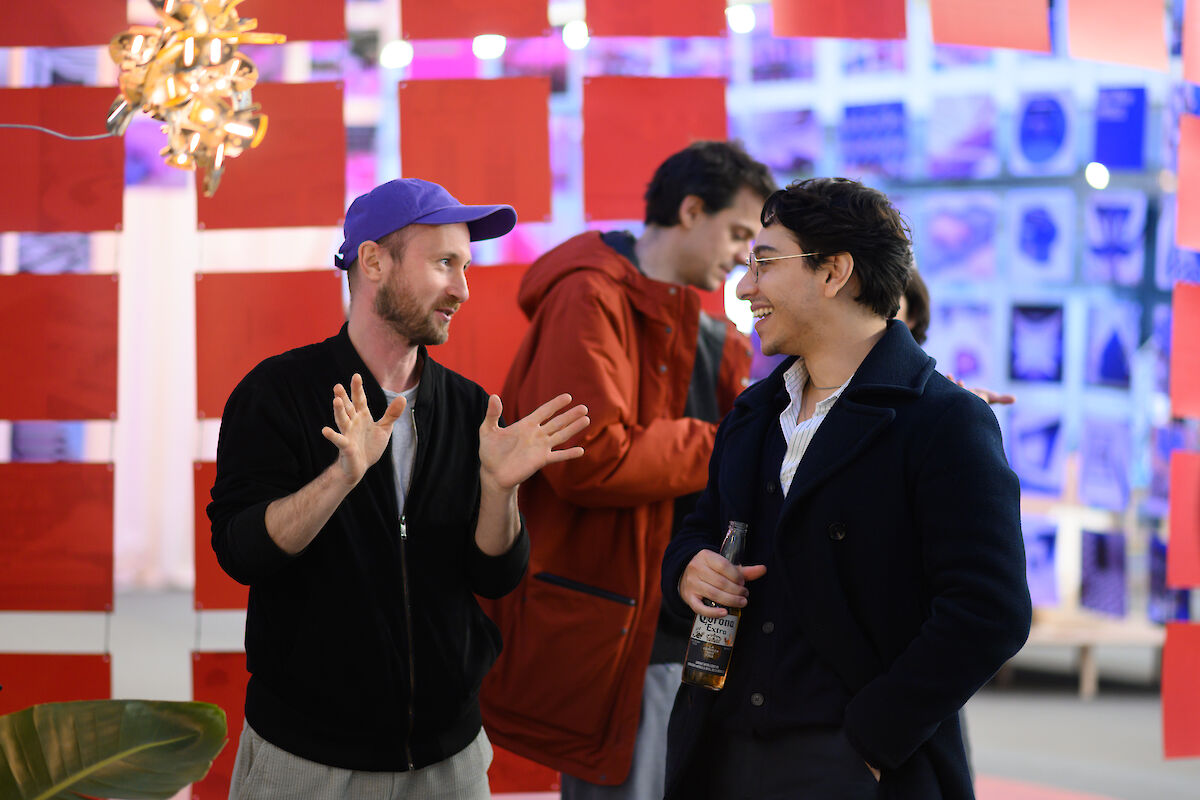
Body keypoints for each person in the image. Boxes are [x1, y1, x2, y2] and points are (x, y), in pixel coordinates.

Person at [208, 178, 590, 800]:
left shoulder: (468, 407)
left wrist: (499, 490)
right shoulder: (276, 393)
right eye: (444, 263)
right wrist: (341, 478)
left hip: (450, 758)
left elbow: (493, 577)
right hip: (307, 758)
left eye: (465, 267)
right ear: (373, 261)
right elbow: (242, 552)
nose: (462, 289)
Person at [660, 177, 1031, 800]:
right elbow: (699, 530)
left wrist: (874, 736)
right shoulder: (754, 414)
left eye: (765, 263)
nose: (745, 286)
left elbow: (990, 610)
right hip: (722, 751)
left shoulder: (943, 419)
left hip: (856, 766)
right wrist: (688, 570)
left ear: (834, 272)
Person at [479, 142, 776, 798]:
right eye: (737, 234)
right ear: (690, 210)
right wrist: (732, 440)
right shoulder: (589, 294)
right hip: (619, 624)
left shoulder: (690, 316)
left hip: (670, 614)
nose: (741, 258)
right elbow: (591, 458)